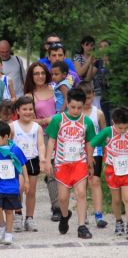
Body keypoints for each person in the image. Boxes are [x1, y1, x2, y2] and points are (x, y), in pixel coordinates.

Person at [44, 88, 96, 239]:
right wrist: (48, 160)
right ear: (67, 103)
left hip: (80, 162)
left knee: (80, 193)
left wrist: (90, 161)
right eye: (73, 107)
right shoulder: (57, 120)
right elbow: (51, 140)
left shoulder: (87, 122)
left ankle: (82, 226)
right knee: (62, 198)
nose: (76, 110)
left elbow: (89, 143)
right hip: (62, 163)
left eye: (79, 108)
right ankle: (65, 216)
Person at [24, 62, 61, 221]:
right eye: (36, 73)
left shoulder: (56, 90)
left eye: (42, 73)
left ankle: (63, 201)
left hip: (62, 134)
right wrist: (46, 120)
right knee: (50, 169)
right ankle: (56, 207)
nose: (40, 76)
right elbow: (27, 119)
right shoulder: (29, 95)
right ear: (31, 76)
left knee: (61, 170)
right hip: (43, 135)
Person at [88, 107, 128, 236]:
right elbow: (92, 143)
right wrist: (89, 158)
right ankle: (118, 221)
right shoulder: (107, 132)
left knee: (127, 198)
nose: (122, 131)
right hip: (112, 171)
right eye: (119, 128)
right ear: (113, 122)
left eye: (125, 128)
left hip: (126, 170)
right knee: (116, 200)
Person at [0, 121, 29, 244]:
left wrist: (26, 181)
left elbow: (23, 165)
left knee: (9, 211)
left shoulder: (15, 150)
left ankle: (9, 233)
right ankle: (2, 225)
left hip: (12, 187)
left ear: (6, 137)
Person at [10, 96, 46, 232]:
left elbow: (41, 145)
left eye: (30, 109)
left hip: (32, 160)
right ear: (18, 111)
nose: (28, 112)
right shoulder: (12, 127)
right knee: (18, 188)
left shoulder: (37, 128)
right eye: (24, 109)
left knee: (31, 190)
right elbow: (7, 143)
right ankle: (18, 214)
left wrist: (42, 159)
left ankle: (29, 218)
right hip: (17, 162)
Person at [78, 81, 107, 228]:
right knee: (81, 184)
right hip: (78, 153)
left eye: (89, 98)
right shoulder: (76, 113)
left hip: (95, 151)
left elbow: (105, 133)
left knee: (94, 181)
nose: (87, 102)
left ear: (93, 96)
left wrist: (107, 151)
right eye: (84, 99)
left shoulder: (98, 113)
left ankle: (98, 214)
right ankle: (83, 214)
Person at [0, 55, 16, 121]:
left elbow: (14, 97)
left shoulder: (7, 79)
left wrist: (7, 103)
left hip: (5, 114)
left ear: (1, 65)